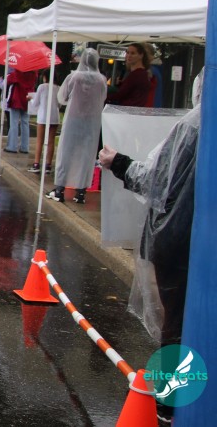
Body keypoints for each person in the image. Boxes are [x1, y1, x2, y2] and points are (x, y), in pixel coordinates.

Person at [98, 71, 203, 426]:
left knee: (177, 325)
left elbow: (156, 180)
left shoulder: (193, 127)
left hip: (179, 242)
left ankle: (170, 405)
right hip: (196, 243)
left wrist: (119, 162)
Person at [46, 49, 107, 205]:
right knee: (87, 155)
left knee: (66, 153)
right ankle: (81, 192)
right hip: (92, 122)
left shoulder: (74, 77)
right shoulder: (101, 80)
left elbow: (62, 96)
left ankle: (60, 189)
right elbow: (103, 98)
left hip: (73, 120)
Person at [27, 70, 61, 173]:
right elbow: (59, 104)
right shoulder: (58, 88)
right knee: (51, 141)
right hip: (54, 116)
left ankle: (36, 164)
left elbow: (35, 103)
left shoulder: (42, 87)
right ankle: (48, 165)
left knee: (40, 141)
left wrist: (30, 98)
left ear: (45, 77)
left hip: (43, 116)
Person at [106, 42, 155, 107]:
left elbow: (120, 95)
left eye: (133, 53)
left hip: (130, 109)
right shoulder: (142, 73)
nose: (129, 55)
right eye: (127, 52)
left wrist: (103, 96)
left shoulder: (137, 74)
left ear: (141, 55)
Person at [4, 68, 37, 154]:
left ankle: (12, 146)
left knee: (14, 123)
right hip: (27, 98)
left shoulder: (18, 71)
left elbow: (9, 80)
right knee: (25, 123)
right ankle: (24, 147)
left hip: (17, 98)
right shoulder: (34, 72)